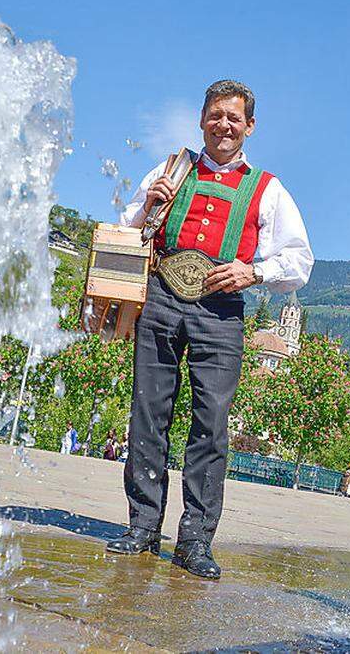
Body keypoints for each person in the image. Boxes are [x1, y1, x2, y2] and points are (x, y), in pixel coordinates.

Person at [105, 80, 313, 580]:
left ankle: (195, 540)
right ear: (201, 119)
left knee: (211, 425)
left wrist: (253, 272)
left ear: (249, 127)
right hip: (159, 296)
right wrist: (147, 206)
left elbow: (300, 260)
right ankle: (142, 526)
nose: (224, 125)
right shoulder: (171, 170)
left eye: (234, 118)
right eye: (216, 115)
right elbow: (125, 227)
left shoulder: (268, 189)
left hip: (222, 312)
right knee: (148, 414)